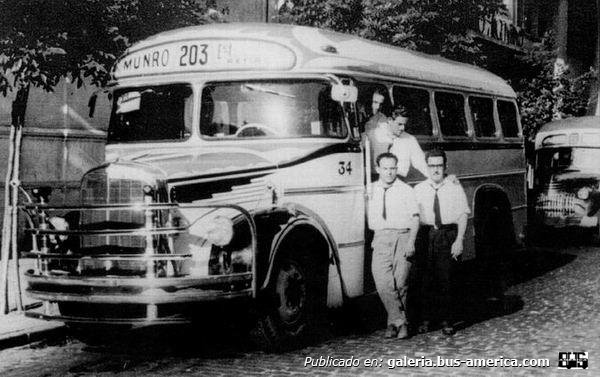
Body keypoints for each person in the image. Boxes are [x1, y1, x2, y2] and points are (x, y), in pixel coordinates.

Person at [414, 148, 469, 336]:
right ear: (427, 168)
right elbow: (414, 217)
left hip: (447, 235)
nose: (435, 169)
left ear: (445, 166)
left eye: (439, 165)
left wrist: (459, 240)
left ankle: (447, 320)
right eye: (432, 166)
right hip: (427, 235)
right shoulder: (419, 189)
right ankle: (427, 319)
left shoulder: (454, 186)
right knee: (426, 279)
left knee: (447, 278)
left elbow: (463, 215)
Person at [368, 152, 420, 339]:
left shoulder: (406, 190)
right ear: (378, 169)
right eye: (385, 168)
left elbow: (415, 219)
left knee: (401, 283)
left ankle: (393, 324)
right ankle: (401, 321)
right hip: (381, 237)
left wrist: (411, 242)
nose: (389, 172)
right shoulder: (370, 189)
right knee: (383, 282)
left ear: (396, 169)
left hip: (402, 236)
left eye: (392, 168)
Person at [375, 105, 429, 179]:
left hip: (399, 181)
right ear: (390, 120)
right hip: (377, 180)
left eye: (404, 125)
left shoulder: (410, 139)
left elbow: (422, 164)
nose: (403, 128)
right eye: (399, 124)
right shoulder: (375, 134)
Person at [363, 90, 390, 174]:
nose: (378, 107)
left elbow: (383, 144)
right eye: (375, 102)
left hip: (374, 168)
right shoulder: (356, 114)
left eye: (380, 104)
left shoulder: (382, 119)